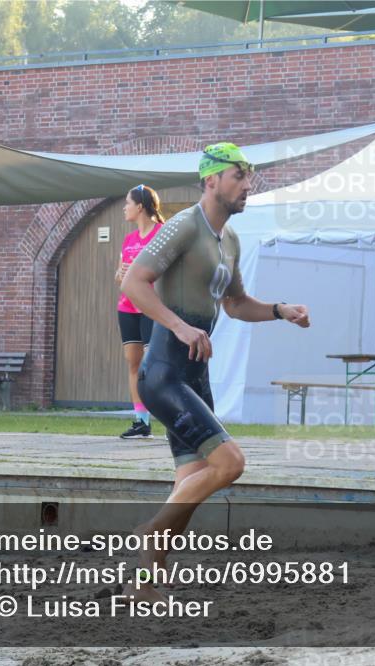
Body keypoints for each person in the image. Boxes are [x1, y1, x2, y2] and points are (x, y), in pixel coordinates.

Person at [120, 142, 310, 601]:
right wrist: (181, 327)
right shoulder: (185, 226)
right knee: (230, 464)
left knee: (191, 479)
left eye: (249, 177)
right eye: (238, 176)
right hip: (164, 370)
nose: (248, 185)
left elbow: (236, 304)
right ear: (211, 181)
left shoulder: (230, 239)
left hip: (194, 374)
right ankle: (149, 538)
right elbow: (133, 283)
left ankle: (143, 583)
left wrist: (281, 310)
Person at [114, 184, 165, 439]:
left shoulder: (162, 234)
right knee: (134, 364)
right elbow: (118, 275)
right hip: (127, 307)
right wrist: (120, 274)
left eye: (127, 202)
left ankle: (170, 416)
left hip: (151, 306)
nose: (125, 207)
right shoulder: (127, 240)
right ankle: (141, 421)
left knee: (151, 365)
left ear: (140, 206)